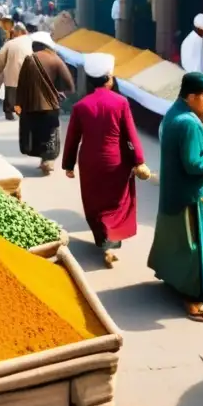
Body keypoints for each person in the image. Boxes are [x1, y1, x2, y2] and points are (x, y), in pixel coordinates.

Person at [147, 72, 203, 323]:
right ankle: (192, 296)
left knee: (174, 242)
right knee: (193, 247)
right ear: (193, 96)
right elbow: (194, 163)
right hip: (191, 195)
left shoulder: (173, 114)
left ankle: (175, 279)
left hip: (174, 191)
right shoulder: (187, 122)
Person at [62, 53, 151, 267]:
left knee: (95, 201)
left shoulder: (81, 106)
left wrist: (68, 165)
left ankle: (102, 239)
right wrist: (139, 160)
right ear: (109, 77)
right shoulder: (120, 102)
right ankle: (110, 244)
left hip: (90, 162)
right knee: (116, 202)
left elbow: (72, 138)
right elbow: (131, 134)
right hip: (116, 161)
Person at [16, 32, 74, 174]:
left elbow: (21, 85)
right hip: (50, 106)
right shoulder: (55, 60)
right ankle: (48, 161)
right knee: (50, 133)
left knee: (36, 133)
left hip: (31, 105)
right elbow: (70, 86)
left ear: (37, 45)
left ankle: (43, 160)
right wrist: (59, 93)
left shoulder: (29, 60)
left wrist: (19, 104)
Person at [0, 23, 33, 120]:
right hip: (28, 73)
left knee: (10, 95)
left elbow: (0, 58)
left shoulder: (10, 43)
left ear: (18, 32)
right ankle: (20, 111)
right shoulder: (31, 42)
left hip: (12, 73)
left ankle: (9, 112)